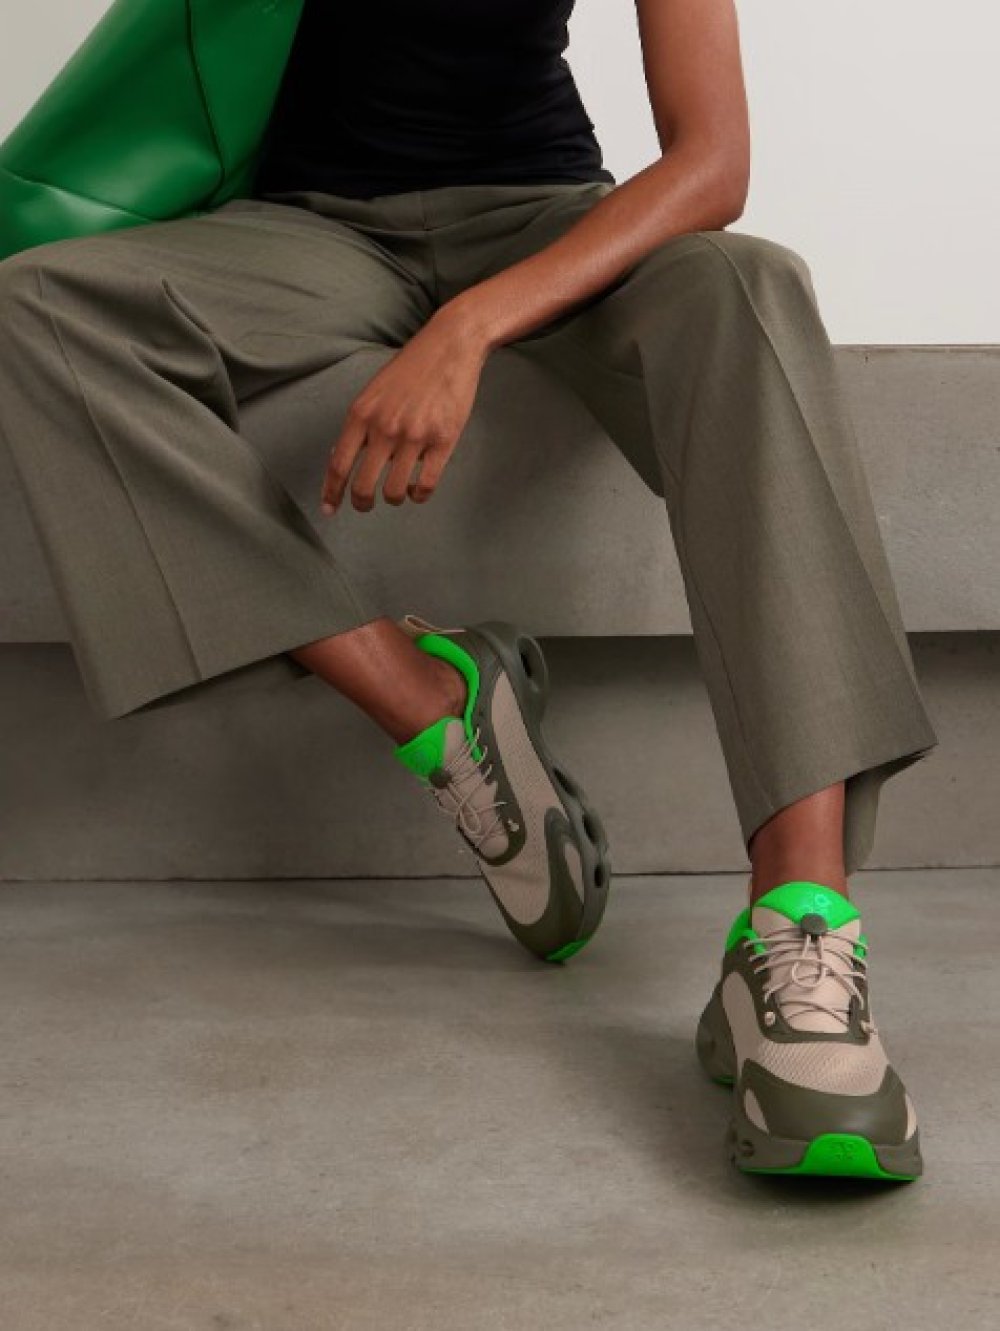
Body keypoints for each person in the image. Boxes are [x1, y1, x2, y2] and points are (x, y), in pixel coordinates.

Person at [0, 0, 938, 1180]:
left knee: (747, 285)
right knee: (37, 306)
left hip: (539, 219)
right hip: (303, 233)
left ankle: (798, 934)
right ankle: (427, 701)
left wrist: (469, 325)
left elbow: (712, 162)